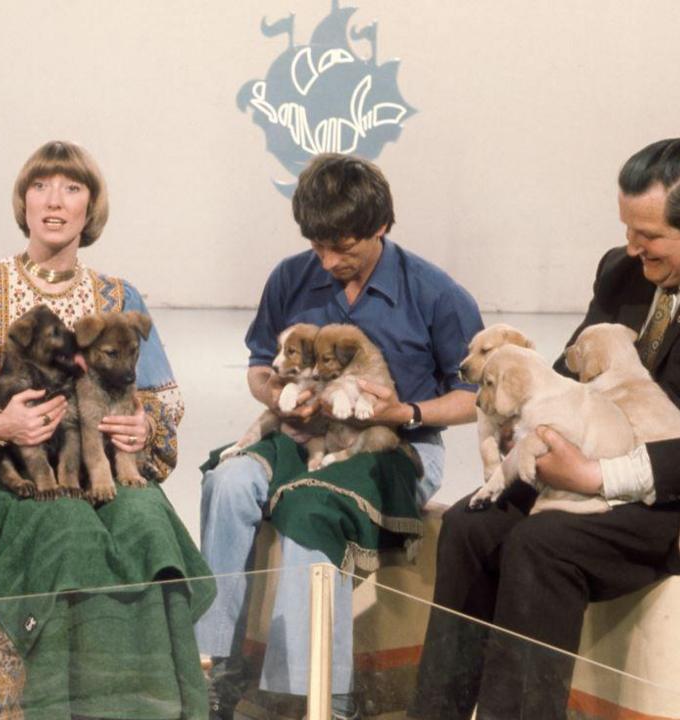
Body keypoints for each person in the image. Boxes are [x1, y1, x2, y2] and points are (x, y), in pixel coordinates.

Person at [408, 138, 680, 719]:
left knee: (541, 546)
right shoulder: (622, 272)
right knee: (470, 528)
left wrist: (596, 477)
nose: (631, 248)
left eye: (648, 237)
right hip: (595, 453)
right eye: (627, 230)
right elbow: (571, 379)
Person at [0, 140, 214, 720]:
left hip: (101, 473)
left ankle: (160, 708)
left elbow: (163, 417)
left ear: (90, 208)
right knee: (69, 525)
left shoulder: (120, 297)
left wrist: (140, 430)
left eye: (71, 188)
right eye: (40, 186)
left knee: (148, 518)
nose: (54, 201)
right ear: (22, 201)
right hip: (4, 482)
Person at [198, 153, 483, 720]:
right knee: (228, 483)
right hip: (302, 433)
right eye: (317, 245)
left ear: (381, 225)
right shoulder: (290, 277)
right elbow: (259, 365)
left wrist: (406, 411)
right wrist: (279, 396)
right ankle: (215, 668)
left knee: (312, 507)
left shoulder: (434, 292)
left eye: (343, 246)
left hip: (395, 444)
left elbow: (475, 396)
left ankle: (319, 697)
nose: (328, 261)